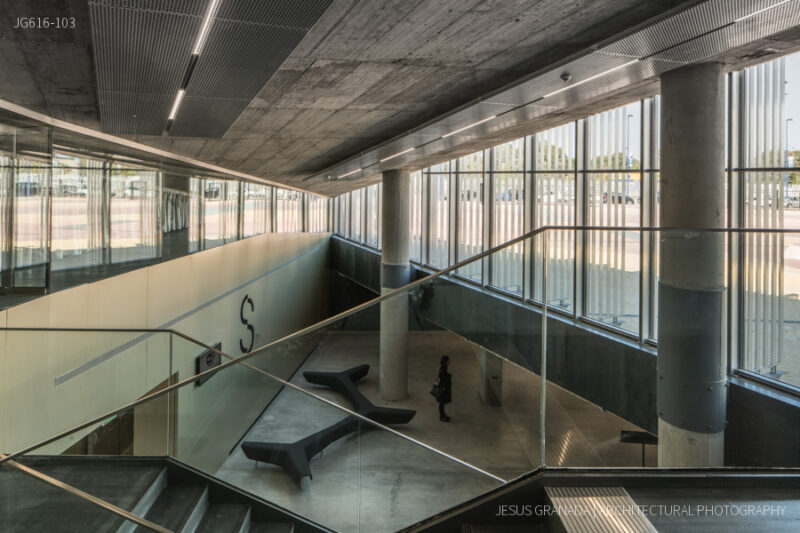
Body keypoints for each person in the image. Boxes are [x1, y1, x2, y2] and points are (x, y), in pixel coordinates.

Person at [435, 356, 452, 422]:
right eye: (448, 361)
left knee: (441, 403)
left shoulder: (443, 368)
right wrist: (449, 376)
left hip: (442, 388)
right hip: (442, 388)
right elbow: (444, 378)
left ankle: (442, 415)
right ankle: (442, 416)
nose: (448, 362)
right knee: (441, 403)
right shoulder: (443, 369)